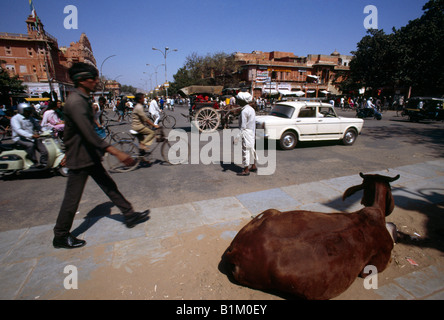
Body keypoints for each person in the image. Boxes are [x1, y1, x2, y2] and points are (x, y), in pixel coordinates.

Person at [53, 62, 149, 249]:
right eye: (93, 78)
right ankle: (61, 235)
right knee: (72, 199)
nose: (96, 81)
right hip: (81, 159)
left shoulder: (83, 99)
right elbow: (88, 135)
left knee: (109, 186)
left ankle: (128, 214)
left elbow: (74, 132)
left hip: (88, 156)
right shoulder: (76, 102)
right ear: (81, 80)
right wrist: (117, 153)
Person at [11, 102, 48, 168]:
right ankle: (33, 162)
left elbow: (37, 126)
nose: (28, 113)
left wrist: (45, 131)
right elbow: (18, 130)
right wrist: (31, 135)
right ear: (21, 110)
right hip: (19, 138)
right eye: (27, 111)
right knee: (30, 145)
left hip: (31, 138)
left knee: (44, 149)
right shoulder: (15, 118)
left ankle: (44, 163)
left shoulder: (30, 118)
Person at [236, 91, 257, 176]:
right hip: (252, 132)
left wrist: (237, 137)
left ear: (243, 101)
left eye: (239, 100)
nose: (238, 101)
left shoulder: (244, 111)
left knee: (245, 151)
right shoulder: (252, 109)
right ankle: (253, 165)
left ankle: (246, 170)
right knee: (252, 149)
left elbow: (243, 126)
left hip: (246, 132)